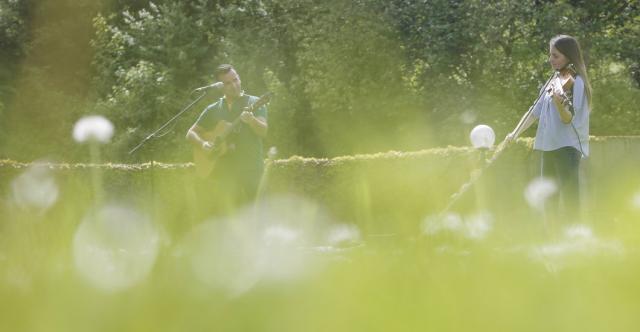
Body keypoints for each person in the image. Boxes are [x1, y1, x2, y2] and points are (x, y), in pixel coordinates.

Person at [507, 35, 592, 226]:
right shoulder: (551, 82)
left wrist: (560, 105)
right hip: (548, 147)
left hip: (567, 148)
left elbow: (568, 118)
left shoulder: (576, 83)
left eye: (556, 56)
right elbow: (533, 112)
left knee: (570, 199)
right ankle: (553, 241)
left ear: (568, 57)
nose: (551, 59)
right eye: (550, 55)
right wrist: (514, 133)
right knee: (549, 200)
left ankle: (576, 241)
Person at [186, 64, 268, 213]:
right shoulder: (214, 109)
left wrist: (251, 121)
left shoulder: (254, 102)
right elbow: (191, 133)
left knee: (257, 215)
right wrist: (203, 144)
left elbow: (263, 131)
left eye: (235, 80)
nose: (234, 85)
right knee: (230, 218)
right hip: (226, 174)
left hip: (252, 170)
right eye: (228, 83)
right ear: (220, 87)